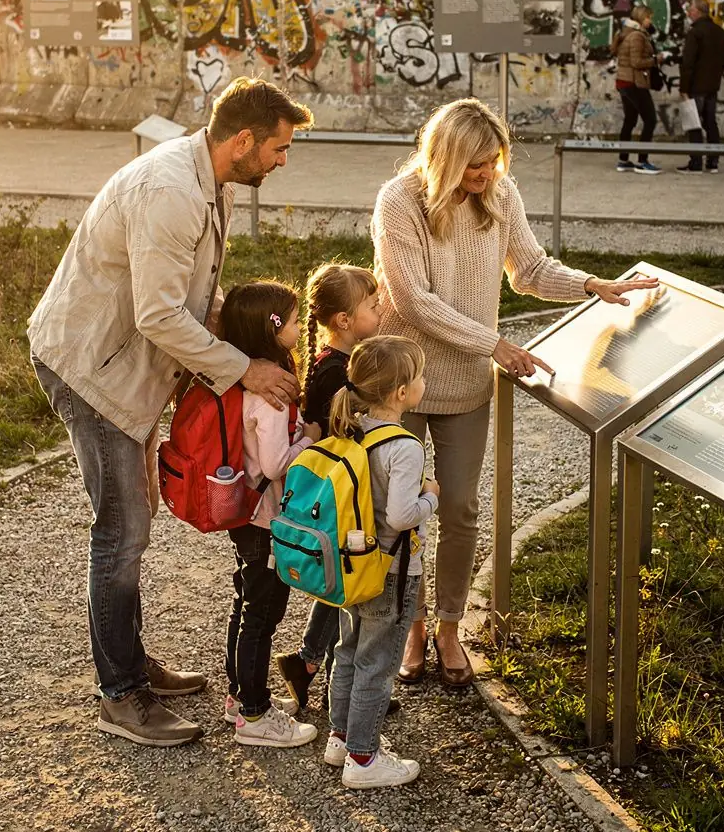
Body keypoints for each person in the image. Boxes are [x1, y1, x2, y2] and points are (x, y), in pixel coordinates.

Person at [28, 78, 313, 747]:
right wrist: (247, 367)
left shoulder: (207, 181)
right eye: (278, 147)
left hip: (121, 367)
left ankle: (128, 661)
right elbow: (159, 316)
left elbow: (186, 301)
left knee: (133, 525)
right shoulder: (171, 192)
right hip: (92, 370)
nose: (282, 159)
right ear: (242, 140)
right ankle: (121, 693)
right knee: (121, 534)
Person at [373, 97, 658, 688]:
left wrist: (589, 284)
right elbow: (411, 301)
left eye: (492, 164)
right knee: (394, 513)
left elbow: (527, 268)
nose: (485, 177)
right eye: (474, 167)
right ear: (443, 158)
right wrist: (495, 344)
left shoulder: (500, 195)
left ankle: (449, 624)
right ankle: (410, 623)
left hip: (466, 385)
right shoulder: (398, 202)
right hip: (399, 383)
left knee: (458, 508)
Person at [324, 336, 439, 789]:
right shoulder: (405, 447)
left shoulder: (352, 430)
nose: (424, 382)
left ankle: (340, 737)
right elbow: (401, 515)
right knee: (378, 662)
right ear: (401, 394)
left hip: (353, 567)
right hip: (392, 571)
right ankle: (364, 758)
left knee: (349, 650)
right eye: (420, 377)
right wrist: (431, 497)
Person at [275, 263, 384, 711]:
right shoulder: (337, 374)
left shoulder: (332, 362)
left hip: (343, 490)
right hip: (344, 493)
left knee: (342, 580)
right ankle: (345, 680)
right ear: (344, 320)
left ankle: (308, 662)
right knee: (351, 582)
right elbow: (344, 430)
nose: (379, 314)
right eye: (372, 308)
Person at [219, 282, 322, 748]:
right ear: (273, 328)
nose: (301, 328)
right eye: (295, 321)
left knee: (247, 604)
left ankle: (240, 696)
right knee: (263, 612)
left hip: (247, 512)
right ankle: (255, 715)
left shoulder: (253, 385)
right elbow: (279, 463)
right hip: (265, 517)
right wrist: (312, 437)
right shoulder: (270, 394)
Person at [677, 0, 724, 173]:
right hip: (712, 86)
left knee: (694, 123)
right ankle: (713, 162)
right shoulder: (720, 32)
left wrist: (684, 88)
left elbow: (688, 63)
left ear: (697, 12)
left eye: (690, 10)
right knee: (711, 122)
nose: (688, 12)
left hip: (696, 86)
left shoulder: (695, 33)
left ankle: (696, 163)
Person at [612, 4, 660, 175]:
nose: (650, 21)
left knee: (630, 120)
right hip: (634, 83)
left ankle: (623, 160)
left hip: (624, 81)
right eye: (648, 17)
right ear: (641, 18)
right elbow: (636, 62)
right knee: (650, 120)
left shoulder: (625, 32)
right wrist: (655, 60)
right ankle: (642, 161)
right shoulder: (637, 36)